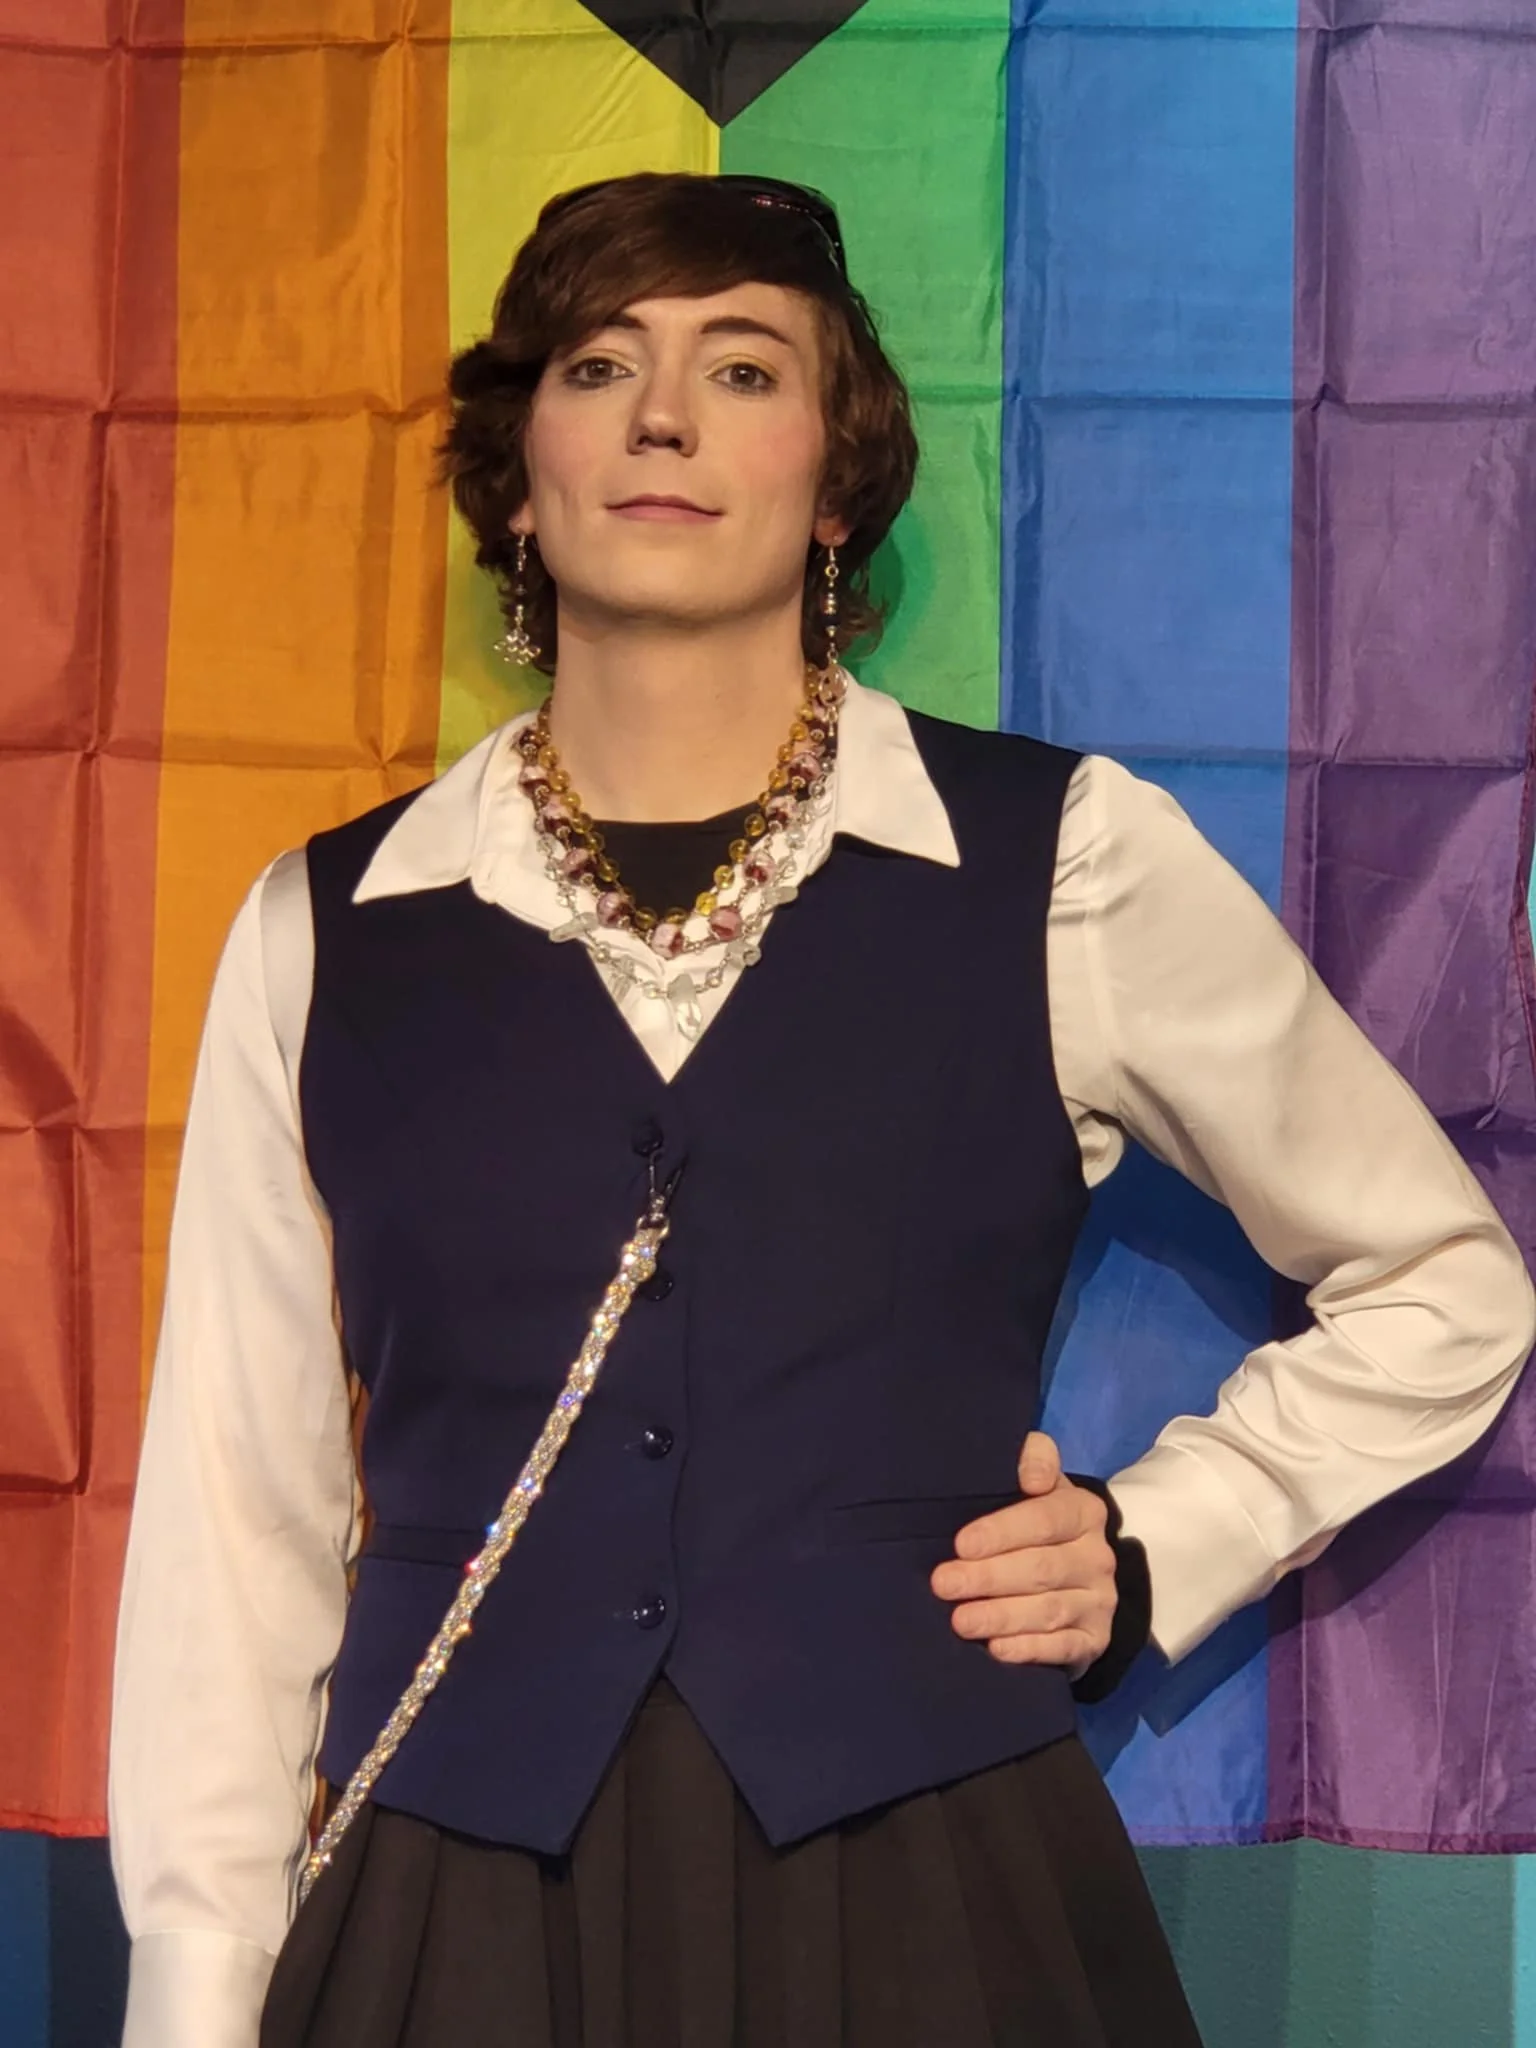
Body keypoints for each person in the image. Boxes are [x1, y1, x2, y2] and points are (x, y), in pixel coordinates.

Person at [109, 171, 1534, 2048]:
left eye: (743, 368)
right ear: (519, 478)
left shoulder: (1065, 862)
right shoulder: (327, 932)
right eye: (600, 365)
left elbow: (1445, 1281)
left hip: (934, 1899)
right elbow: (237, 1526)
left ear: (837, 479)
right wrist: (197, 1997)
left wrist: (1157, 1544)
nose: (665, 417)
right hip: (454, 1912)